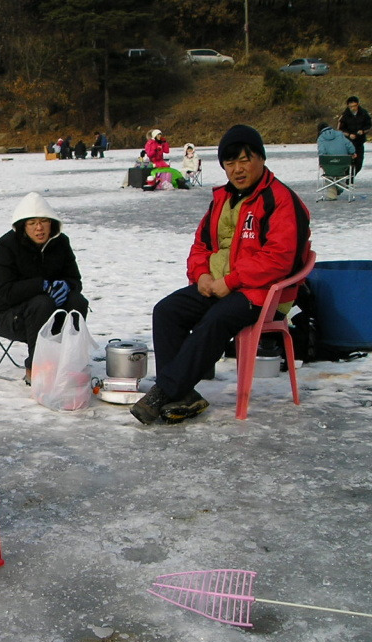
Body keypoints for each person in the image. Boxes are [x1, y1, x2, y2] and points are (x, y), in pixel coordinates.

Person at [131, 125, 311, 425]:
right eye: (230, 163)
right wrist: (201, 275)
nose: (238, 169)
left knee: (217, 319)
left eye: (245, 160)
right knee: (167, 311)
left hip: (264, 293)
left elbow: (279, 259)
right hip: (218, 285)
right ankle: (183, 396)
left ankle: (165, 391)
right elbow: (200, 245)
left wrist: (231, 281)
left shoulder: (279, 200)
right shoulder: (221, 200)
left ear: (261, 159)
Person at [0, 192, 90, 384]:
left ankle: (72, 361)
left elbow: (75, 279)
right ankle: (36, 366)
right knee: (41, 303)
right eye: (32, 223)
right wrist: (41, 286)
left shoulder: (61, 242)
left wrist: (67, 286)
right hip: (11, 317)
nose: (39, 228)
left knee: (77, 301)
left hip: (52, 312)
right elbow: (6, 292)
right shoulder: (5, 246)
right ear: (22, 226)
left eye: (44, 221)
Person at [317, 121, 356, 200]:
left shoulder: (321, 138)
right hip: (343, 162)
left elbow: (322, 152)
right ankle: (340, 187)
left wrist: (321, 162)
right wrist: (352, 152)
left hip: (329, 163)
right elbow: (349, 145)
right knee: (340, 173)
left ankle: (332, 195)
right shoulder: (340, 134)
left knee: (329, 175)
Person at [337, 95, 372, 176]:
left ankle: (351, 177)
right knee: (348, 163)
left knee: (359, 163)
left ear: (358, 104)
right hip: (348, 143)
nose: (353, 108)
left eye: (354, 106)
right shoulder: (345, 115)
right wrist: (349, 135)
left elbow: (369, 125)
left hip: (359, 142)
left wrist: (362, 131)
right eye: (351, 106)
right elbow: (340, 129)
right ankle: (347, 178)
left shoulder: (364, 113)